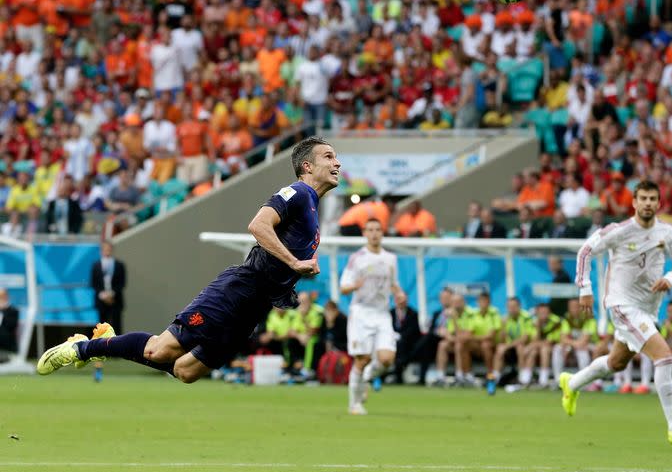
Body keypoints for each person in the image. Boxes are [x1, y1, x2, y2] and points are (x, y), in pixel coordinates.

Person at [37, 137, 339, 384]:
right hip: (239, 290)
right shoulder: (297, 192)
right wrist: (295, 263)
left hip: (254, 308)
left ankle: (112, 342)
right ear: (307, 166)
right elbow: (258, 226)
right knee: (159, 351)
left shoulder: (313, 209)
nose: (336, 162)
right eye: (328, 156)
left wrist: (296, 272)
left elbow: (284, 258)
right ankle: (81, 348)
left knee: (185, 371)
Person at [560, 180, 672, 447]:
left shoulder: (667, 232)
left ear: (658, 203)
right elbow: (585, 251)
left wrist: (670, 279)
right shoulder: (619, 231)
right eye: (643, 199)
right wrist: (585, 288)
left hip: (648, 308)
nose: (648, 203)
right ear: (634, 203)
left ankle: (572, 383)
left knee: (616, 363)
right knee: (664, 355)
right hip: (622, 304)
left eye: (652, 199)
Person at [339, 217, 401, 415]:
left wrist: (399, 294)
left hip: (382, 313)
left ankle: (367, 375)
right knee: (362, 358)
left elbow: (393, 283)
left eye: (378, 230)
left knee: (387, 359)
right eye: (370, 230)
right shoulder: (357, 258)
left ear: (382, 233)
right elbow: (343, 287)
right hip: (361, 313)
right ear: (365, 234)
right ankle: (354, 404)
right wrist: (353, 286)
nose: (374, 234)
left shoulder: (390, 258)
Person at [491, 297, 532, 391]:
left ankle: (521, 379)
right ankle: (495, 378)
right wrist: (503, 327)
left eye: (514, 306)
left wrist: (507, 346)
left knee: (520, 347)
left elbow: (524, 339)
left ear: (519, 307)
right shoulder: (505, 319)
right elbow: (501, 340)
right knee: (499, 348)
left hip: (525, 348)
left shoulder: (526, 317)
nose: (511, 309)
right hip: (509, 349)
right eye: (509, 307)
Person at [90, 241, 127, 335]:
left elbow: (122, 283)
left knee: (117, 326)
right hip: (101, 302)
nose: (107, 251)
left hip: (115, 300)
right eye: (105, 249)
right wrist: (103, 295)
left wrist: (112, 294)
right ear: (101, 250)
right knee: (101, 327)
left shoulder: (119, 265)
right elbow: (93, 283)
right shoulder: (96, 266)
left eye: (109, 249)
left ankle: (118, 347)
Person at [525, 303, 563, 389]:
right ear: (537, 313)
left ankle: (543, 380)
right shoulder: (533, 322)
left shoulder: (556, 322)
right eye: (541, 313)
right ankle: (525, 380)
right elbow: (534, 339)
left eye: (545, 312)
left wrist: (532, 345)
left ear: (549, 313)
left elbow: (549, 342)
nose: (543, 315)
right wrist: (538, 327)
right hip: (537, 348)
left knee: (544, 349)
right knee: (533, 351)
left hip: (555, 348)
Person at [389, 291, 421, 384]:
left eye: (404, 300)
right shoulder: (390, 313)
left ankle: (398, 371)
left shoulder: (413, 313)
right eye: (400, 300)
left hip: (408, 344)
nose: (402, 302)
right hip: (392, 342)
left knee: (402, 344)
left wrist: (401, 337)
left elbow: (414, 331)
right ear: (395, 300)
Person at [0, 288, 20, 355]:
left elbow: (11, 326)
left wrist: (3, 310)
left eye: (2, 297)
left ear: (6, 297)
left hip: (8, 344)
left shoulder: (13, 310)